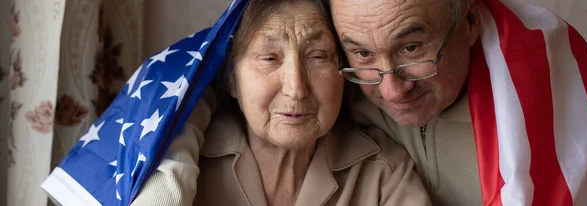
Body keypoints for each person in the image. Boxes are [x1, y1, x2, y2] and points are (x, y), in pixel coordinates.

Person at [131, 0, 431, 205]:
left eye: (317, 57)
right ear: (232, 79)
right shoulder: (178, 160)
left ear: (343, 71)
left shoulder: (383, 174)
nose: (296, 88)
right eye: (270, 58)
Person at [329, 0, 587, 205]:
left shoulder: (555, 111)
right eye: (363, 53)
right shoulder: (336, 99)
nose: (392, 92)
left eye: (411, 48)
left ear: (469, 21)